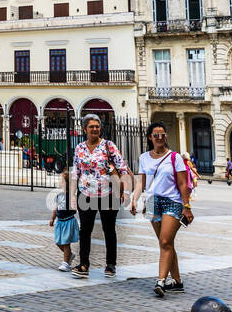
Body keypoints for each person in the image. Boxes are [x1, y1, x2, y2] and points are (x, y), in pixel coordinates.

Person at [131, 122, 193, 296]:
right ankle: (178, 282)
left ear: (166, 137)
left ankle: (161, 281)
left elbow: (182, 184)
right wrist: (134, 200)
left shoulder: (175, 157)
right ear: (150, 138)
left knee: (165, 242)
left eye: (162, 135)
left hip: (172, 202)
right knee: (166, 243)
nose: (159, 138)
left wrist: (187, 206)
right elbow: (141, 182)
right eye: (156, 135)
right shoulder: (144, 157)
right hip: (152, 202)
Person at [71, 113, 131, 278]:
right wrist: (71, 195)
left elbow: (122, 168)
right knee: (85, 230)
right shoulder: (79, 148)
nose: (95, 129)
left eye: (97, 126)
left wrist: (125, 192)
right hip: (85, 193)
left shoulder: (108, 145)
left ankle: (110, 265)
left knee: (109, 230)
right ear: (85, 129)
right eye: (91, 126)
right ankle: (84, 264)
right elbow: (76, 172)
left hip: (108, 194)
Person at [50, 166, 79, 271]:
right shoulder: (59, 195)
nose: (59, 181)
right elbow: (56, 208)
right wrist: (52, 218)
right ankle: (70, 255)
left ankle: (66, 263)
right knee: (58, 242)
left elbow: (75, 208)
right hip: (60, 222)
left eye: (61, 180)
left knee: (66, 243)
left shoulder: (71, 196)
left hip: (68, 221)